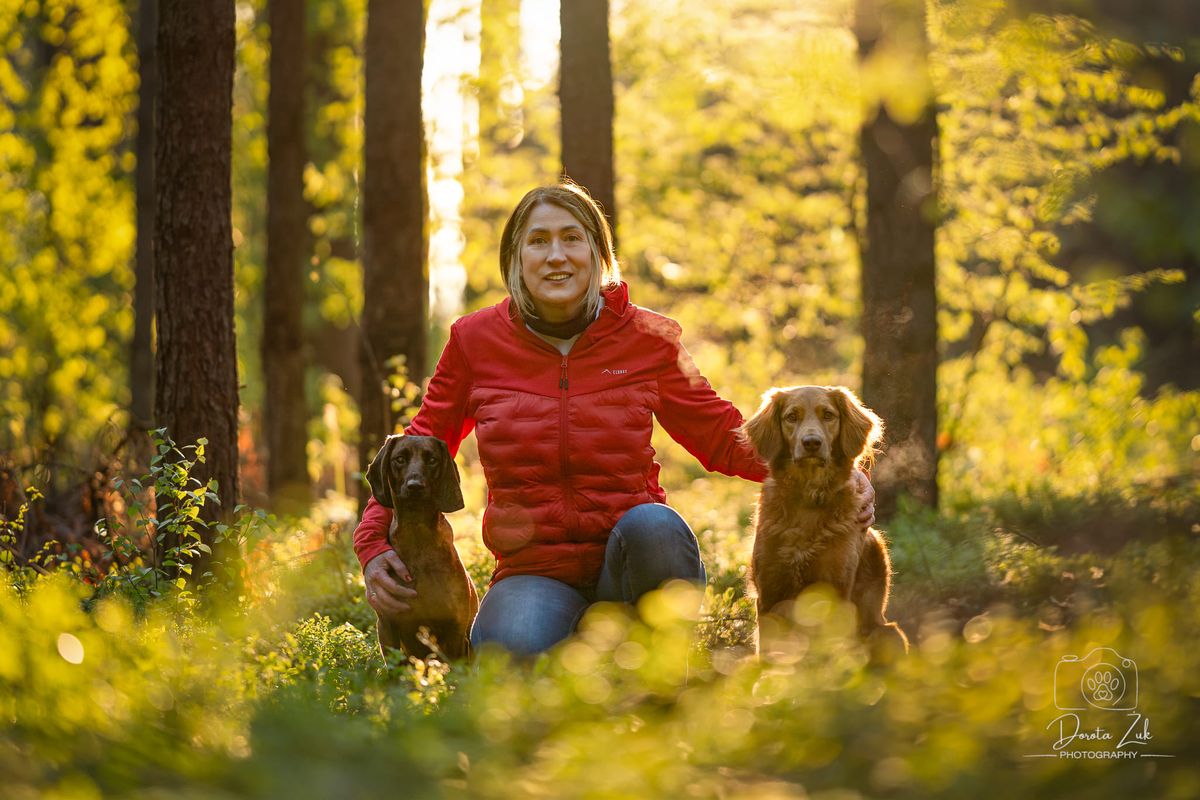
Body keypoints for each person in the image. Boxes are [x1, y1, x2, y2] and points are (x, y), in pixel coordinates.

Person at [353, 181, 875, 656]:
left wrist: (841, 472)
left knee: (657, 527)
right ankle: (568, 658)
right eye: (538, 241)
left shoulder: (650, 338)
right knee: (506, 651)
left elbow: (723, 436)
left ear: (598, 255)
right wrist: (373, 546)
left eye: (572, 239)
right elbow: (419, 444)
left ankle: (661, 694)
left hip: (633, 557)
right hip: (533, 573)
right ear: (515, 258)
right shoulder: (474, 341)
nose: (556, 255)